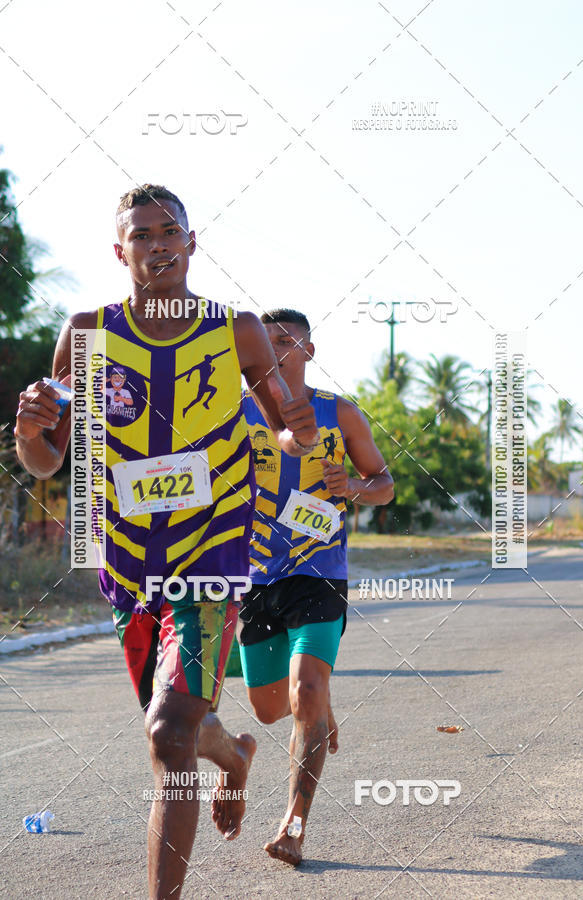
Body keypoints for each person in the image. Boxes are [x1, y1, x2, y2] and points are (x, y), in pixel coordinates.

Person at [14, 186, 320, 900]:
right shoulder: (88, 331)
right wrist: (30, 433)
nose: (157, 244)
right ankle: (236, 756)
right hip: (126, 564)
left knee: (167, 735)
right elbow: (50, 461)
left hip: (212, 554)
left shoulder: (236, 329)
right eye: (141, 235)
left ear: (191, 241)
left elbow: (288, 432)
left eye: (168, 231)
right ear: (119, 250)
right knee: (184, 729)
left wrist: (301, 430)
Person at [238, 308, 394, 866]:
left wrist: (351, 485)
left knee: (305, 691)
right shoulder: (232, 414)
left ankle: (294, 826)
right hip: (254, 575)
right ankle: (319, 709)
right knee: (268, 708)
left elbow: (384, 486)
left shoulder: (339, 413)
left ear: (310, 349)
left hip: (320, 571)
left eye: (289, 341)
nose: (278, 349)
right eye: (268, 341)